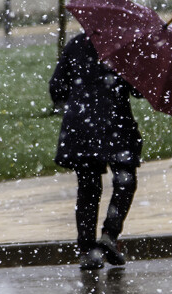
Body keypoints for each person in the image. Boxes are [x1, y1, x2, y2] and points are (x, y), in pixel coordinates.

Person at [49, 32, 142, 270]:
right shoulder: (124, 46)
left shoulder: (76, 45)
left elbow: (57, 88)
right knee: (125, 179)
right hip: (116, 123)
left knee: (88, 186)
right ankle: (110, 235)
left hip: (81, 126)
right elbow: (139, 91)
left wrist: (79, 99)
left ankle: (87, 248)